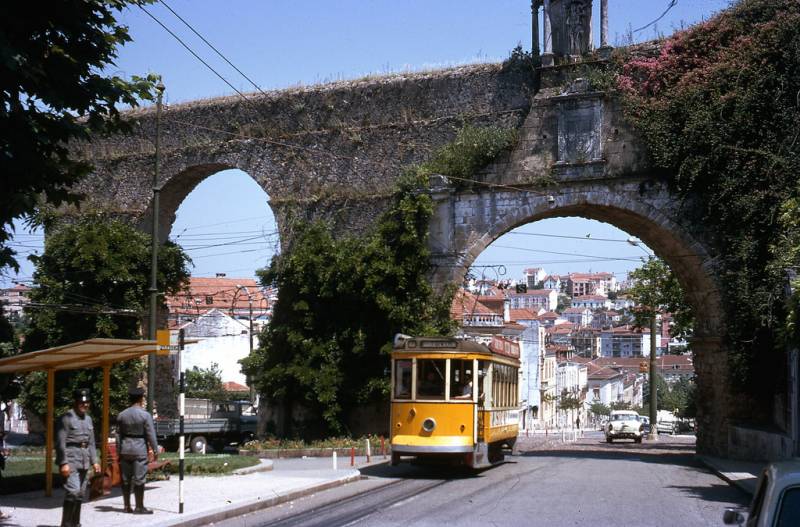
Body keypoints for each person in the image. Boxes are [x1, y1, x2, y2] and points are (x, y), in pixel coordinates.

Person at [56, 388, 100, 527]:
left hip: (85, 459)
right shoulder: (66, 418)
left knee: (80, 493)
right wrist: (63, 463)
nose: (85, 405)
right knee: (73, 491)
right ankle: (66, 524)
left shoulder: (88, 419)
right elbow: (60, 442)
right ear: (76, 402)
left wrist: (95, 461)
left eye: (87, 402)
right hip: (71, 459)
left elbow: (91, 442)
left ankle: (76, 523)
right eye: (82, 402)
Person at [116, 387, 158, 514]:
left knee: (126, 479)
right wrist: (155, 449)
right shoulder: (145, 415)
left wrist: (119, 450)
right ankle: (139, 507)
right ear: (140, 399)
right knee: (139, 479)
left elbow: (118, 435)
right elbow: (151, 434)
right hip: (139, 449)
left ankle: (126, 506)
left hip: (125, 449)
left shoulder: (122, 415)